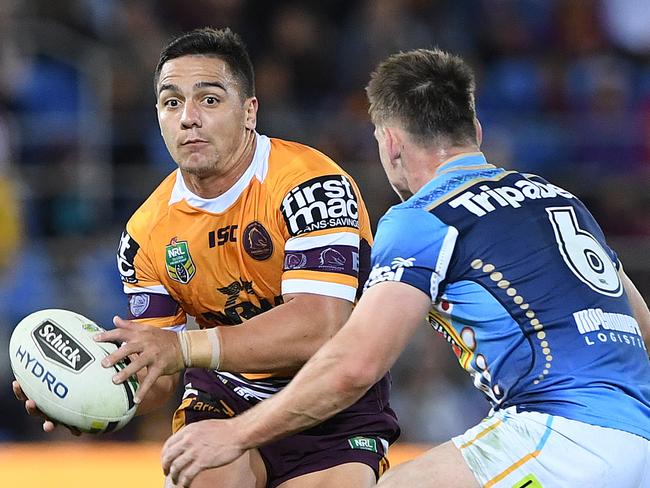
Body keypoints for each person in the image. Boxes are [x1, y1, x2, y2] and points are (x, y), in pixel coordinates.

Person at [105, 48, 650, 487]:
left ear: (389, 143)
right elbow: (641, 326)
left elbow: (350, 362)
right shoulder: (559, 201)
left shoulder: (420, 218)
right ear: (477, 133)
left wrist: (236, 434)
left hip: (556, 433)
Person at [13, 27, 400, 488]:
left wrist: (181, 349)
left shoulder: (312, 185)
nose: (188, 118)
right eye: (171, 102)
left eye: (210, 100)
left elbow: (320, 325)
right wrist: (95, 401)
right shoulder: (144, 235)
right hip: (227, 393)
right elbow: (156, 378)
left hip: (329, 397)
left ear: (249, 111)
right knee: (201, 474)